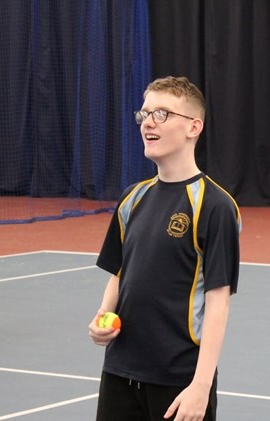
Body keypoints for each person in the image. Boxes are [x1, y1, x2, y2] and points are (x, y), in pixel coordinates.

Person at [88, 76, 240, 421]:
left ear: (193, 127)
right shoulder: (132, 197)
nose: (148, 123)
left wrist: (200, 387)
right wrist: (101, 316)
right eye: (144, 114)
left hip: (178, 381)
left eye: (162, 113)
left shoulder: (215, 206)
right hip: (119, 372)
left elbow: (219, 300)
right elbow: (120, 271)